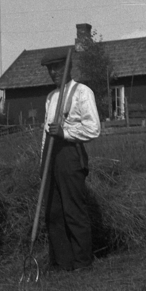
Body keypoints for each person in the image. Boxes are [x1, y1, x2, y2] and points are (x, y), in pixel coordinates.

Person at [40, 51, 101, 271]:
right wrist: (41, 163)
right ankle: (62, 263)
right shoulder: (50, 97)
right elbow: (45, 134)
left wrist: (65, 132)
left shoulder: (82, 92)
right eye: (50, 69)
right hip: (50, 158)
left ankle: (82, 262)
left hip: (70, 156)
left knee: (73, 211)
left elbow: (93, 128)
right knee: (53, 213)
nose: (54, 72)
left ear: (69, 67)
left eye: (58, 67)